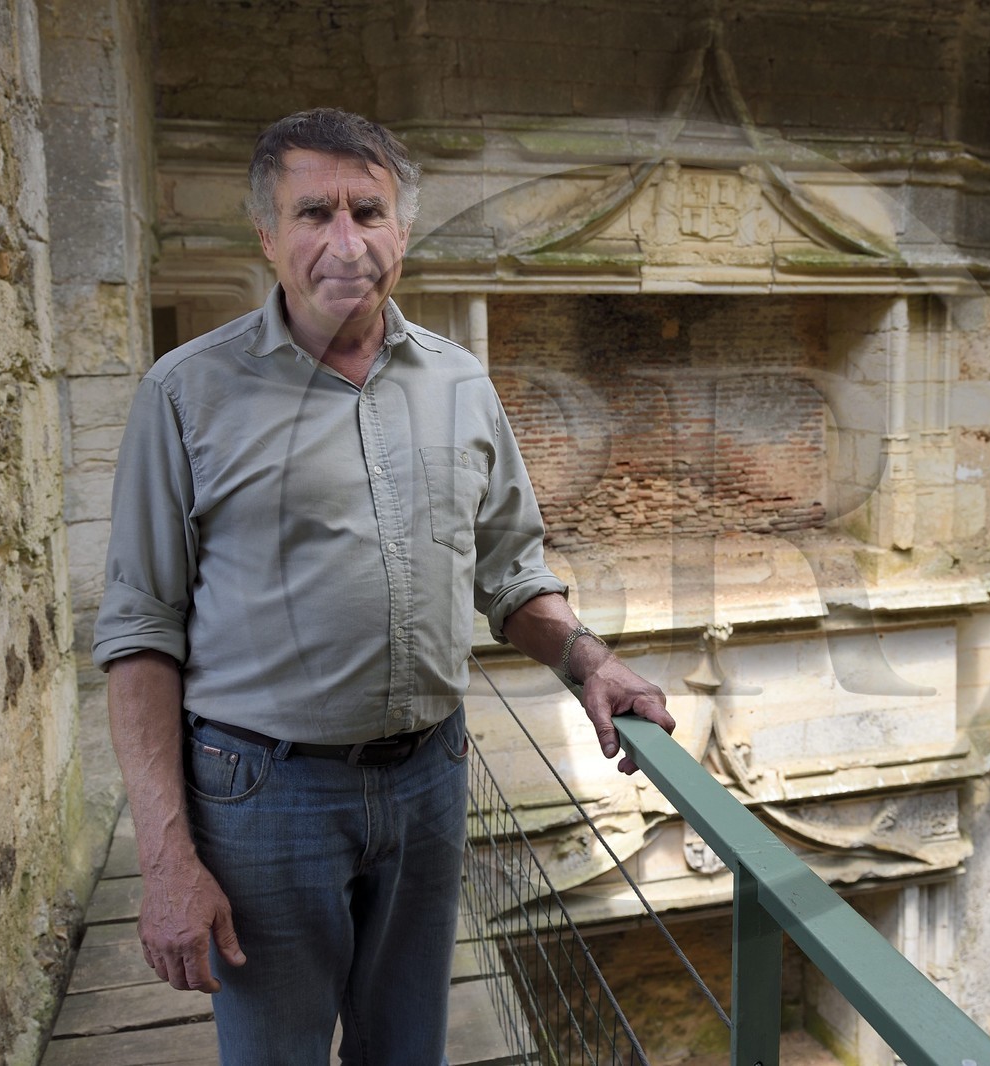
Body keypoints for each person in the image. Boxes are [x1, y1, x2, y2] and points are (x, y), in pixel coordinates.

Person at [92, 107, 673, 1066]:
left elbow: (511, 573)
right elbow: (140, 629)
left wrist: (587, 659)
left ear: (402, 231)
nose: (345, 242)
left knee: (407, 1053)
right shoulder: (186, 394)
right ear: (267, 235)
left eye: (369, 210)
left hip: (428, 784)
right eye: (314, 212)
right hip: (261, 795)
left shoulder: (459, 385)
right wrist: (165, 856)